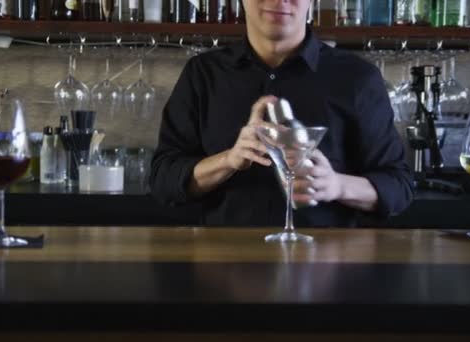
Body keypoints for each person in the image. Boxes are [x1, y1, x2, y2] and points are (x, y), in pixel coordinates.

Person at [149, 0, 413, 227]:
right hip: (225, 263)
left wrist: (335, 185)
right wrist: (228, 160)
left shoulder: (358, 79)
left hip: (327, 269)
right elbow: (163, 180)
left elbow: (398, 187)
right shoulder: (203, 75)